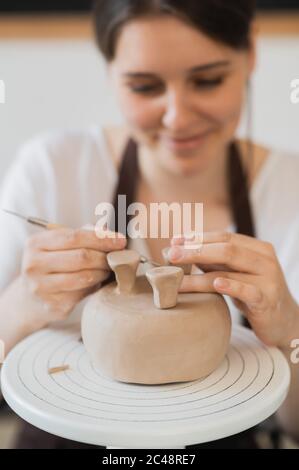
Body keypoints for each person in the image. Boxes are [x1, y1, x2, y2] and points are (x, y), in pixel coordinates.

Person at [0, 0, 299, 448]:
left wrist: (289, 329)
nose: (177, 117)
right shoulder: (53, 170)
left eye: (208, 80)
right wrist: (20, 305)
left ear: (251, 52)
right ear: (110, 73)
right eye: (144, 87)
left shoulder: (290, 192)